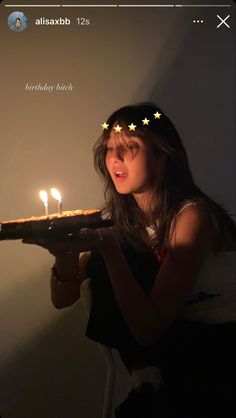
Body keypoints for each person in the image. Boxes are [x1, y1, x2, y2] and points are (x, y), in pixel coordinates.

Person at [23, 103, 236, 418]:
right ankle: (145, 378)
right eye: (110, 149)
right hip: (173, 343)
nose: (115, 159)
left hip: (219, 345)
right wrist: (64, 255)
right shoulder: (123, 224)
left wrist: (109, 249)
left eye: (129, 148)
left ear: (162, 156)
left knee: (112, 247)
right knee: (107, 250)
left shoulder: (192, 215)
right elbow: (63, 299)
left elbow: (150, 329)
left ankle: (149, 383)